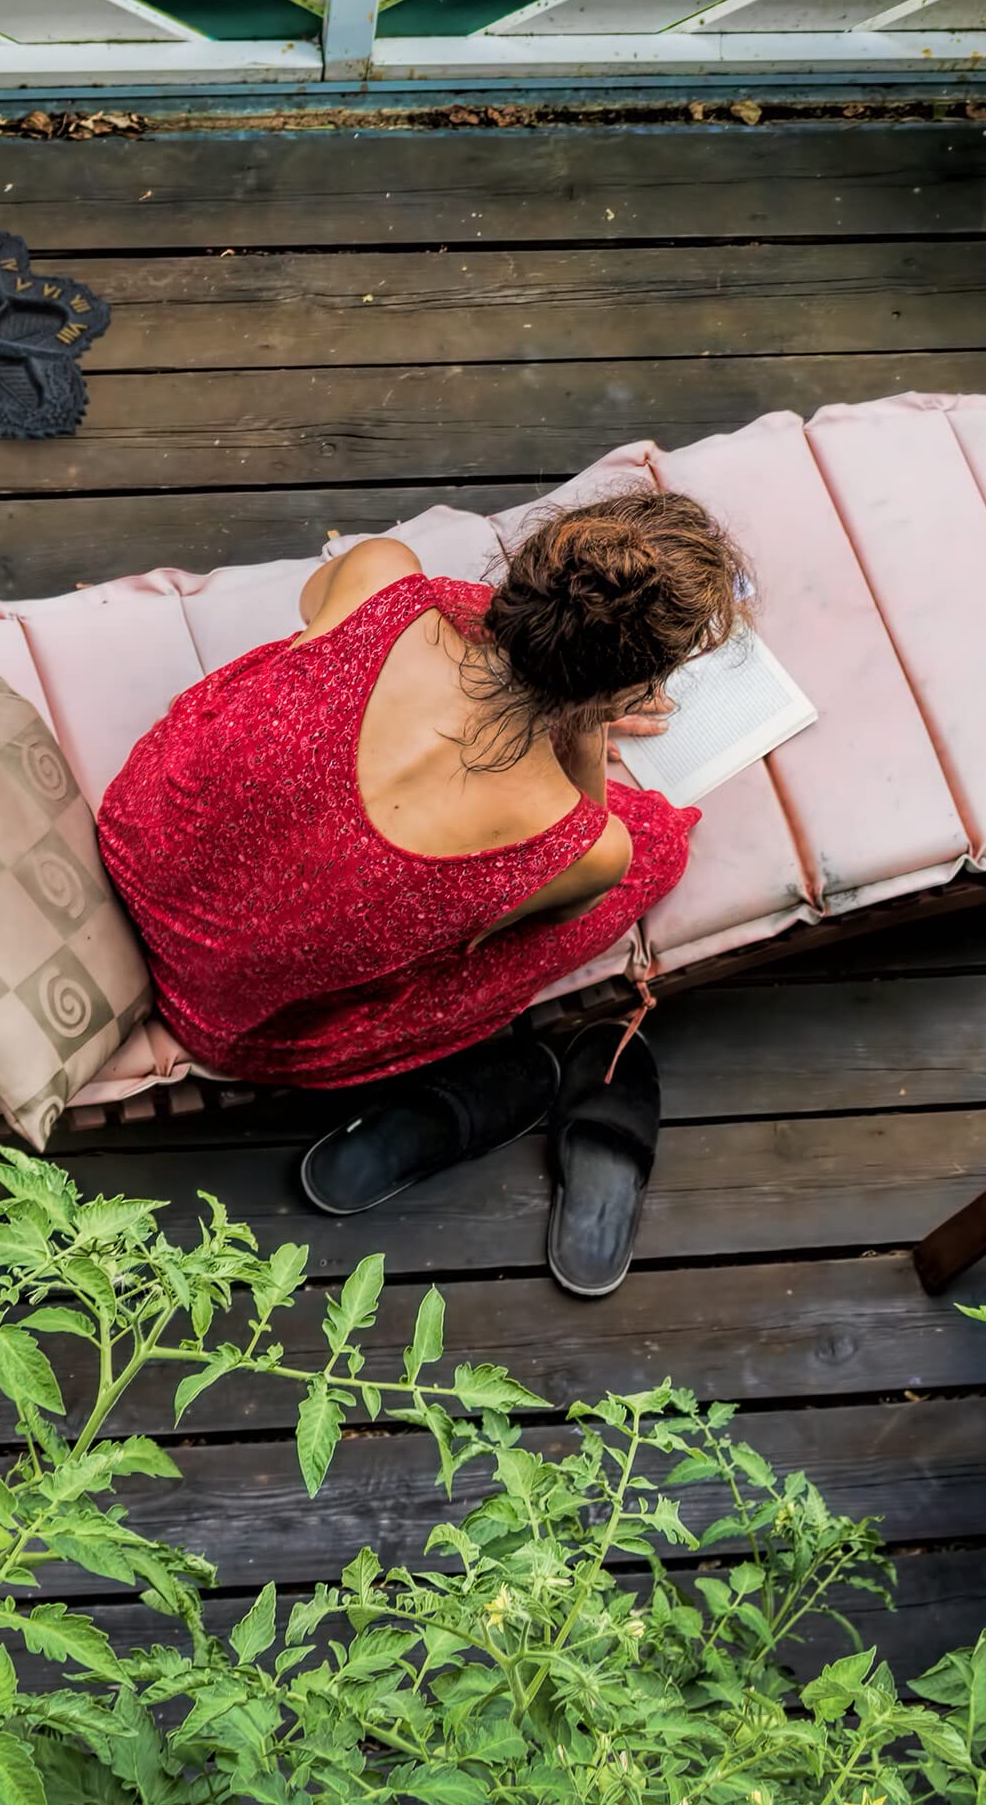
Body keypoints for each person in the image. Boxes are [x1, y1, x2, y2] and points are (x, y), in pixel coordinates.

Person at [96, 490, 750, 1251]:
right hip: (217, 1006)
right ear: (622, 690)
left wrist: (539, 673)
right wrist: (577, 721)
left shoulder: (385, 577)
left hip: (142, 838)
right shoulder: (578, 843)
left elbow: (313, 604)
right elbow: (566, 902)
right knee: (651, 852)